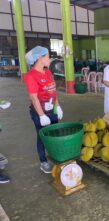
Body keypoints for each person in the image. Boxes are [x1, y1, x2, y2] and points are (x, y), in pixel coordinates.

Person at [24, 46, 63, 174]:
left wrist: (58, 106)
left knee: (54, 134)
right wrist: (41, 115)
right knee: (42, 136)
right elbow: (34, 98)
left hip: (52, 110)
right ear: (40, 58)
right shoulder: (31, 76)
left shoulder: (47, 72)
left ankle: (55, 156)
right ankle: (43, 162)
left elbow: (53, 90)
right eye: (47, 56)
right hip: (39, 112)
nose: (49, 59)